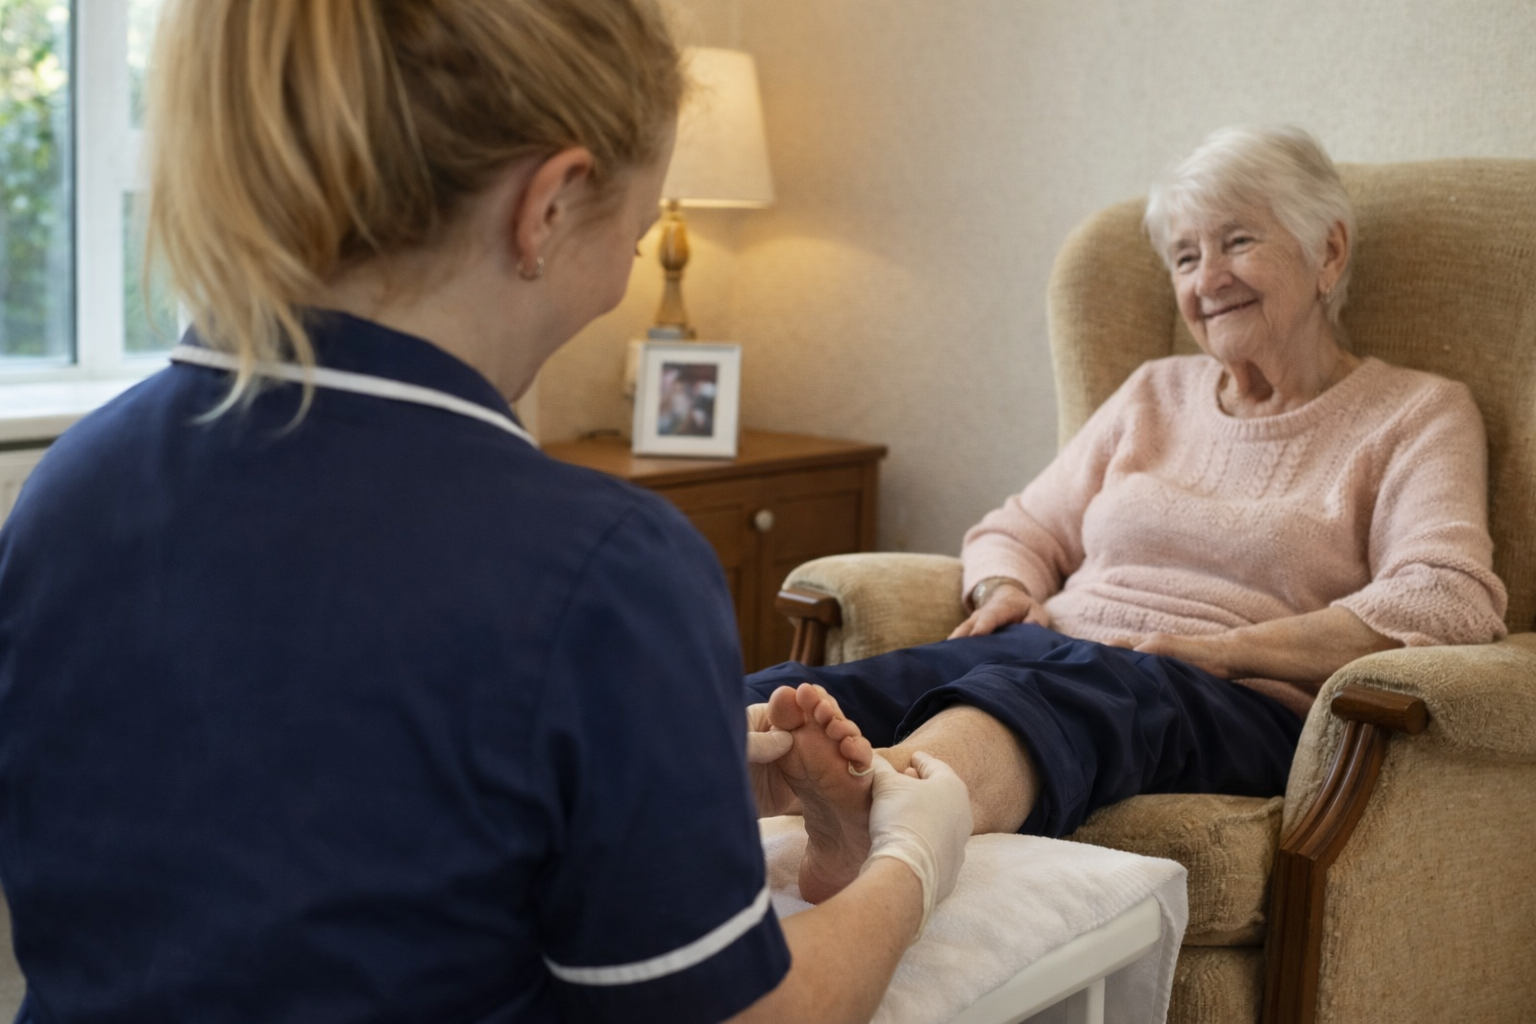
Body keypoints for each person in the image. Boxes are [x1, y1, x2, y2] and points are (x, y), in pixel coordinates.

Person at [0, 2, 972, 1022]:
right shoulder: (604, 566)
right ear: (546, 207)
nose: (626, 270)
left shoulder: (67, 491)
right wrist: (912, 860)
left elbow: (281, 806)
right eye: (638, 238)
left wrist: (649, 773)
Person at [745, 125, 1509, 905]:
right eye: (1185, 257)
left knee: (1043, 693)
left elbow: (1448, 596)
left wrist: (1230, 650)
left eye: (1237, 241)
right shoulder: (1155, 391)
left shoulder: (1418, 412)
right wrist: (1000, 590)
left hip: (1234, 698)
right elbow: (1018, 528)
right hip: (1064, 646)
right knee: (822, 690)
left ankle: (886, 830)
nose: (1208, 278)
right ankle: (659, 794)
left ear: (1329, 254)